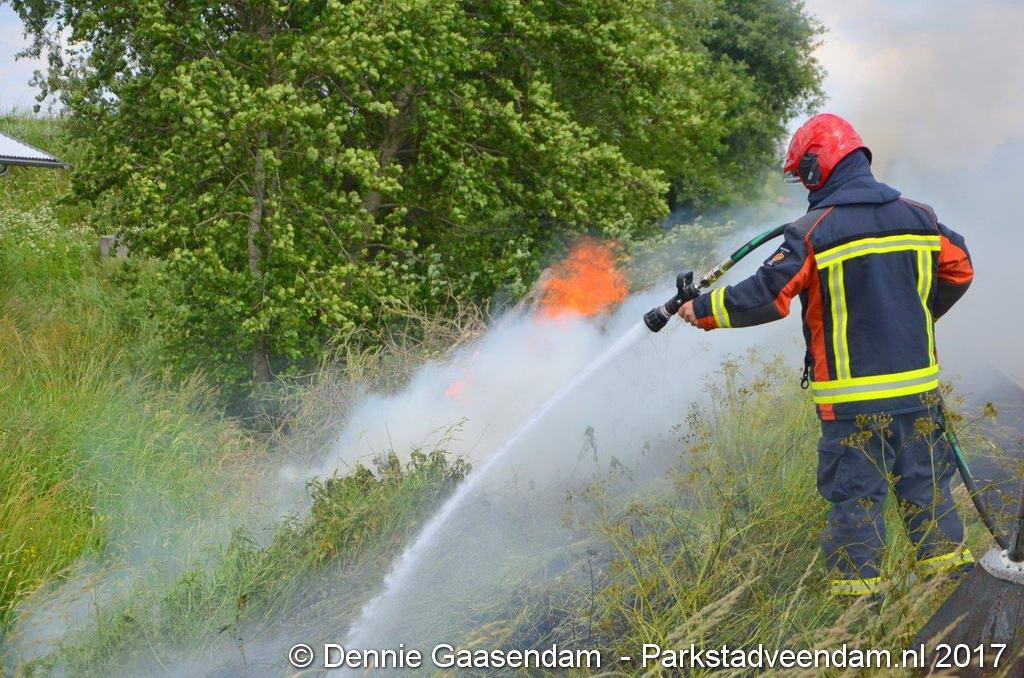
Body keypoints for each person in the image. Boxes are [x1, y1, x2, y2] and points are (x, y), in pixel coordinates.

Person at [678, 113, 975, 597]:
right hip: (919, 394)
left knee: (857, 507)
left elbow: (767, 295)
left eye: (803, 174)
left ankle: (859, 625)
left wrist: (703, 308)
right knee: (929, 495)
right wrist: (916, 316)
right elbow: (960, 270)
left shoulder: (814, 231)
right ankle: (953, 604)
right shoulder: (920, 218)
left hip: (853, 404)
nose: (804, 184)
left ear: (818, 168)